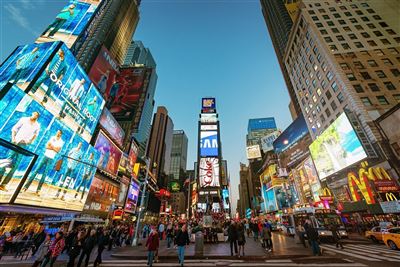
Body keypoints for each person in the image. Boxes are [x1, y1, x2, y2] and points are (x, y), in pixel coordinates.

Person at [0, 112, 41, 191]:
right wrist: (13, 139)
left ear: (37, 117)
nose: (35, 116)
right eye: (34, 114)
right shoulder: (24, 119)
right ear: (32, 114)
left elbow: (36, 135)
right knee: (7, 161)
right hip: (16, 143)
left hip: (23, 145)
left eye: (36, 115)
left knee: (15, 166)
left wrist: (30, 141)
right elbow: (14, 128)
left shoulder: (37, 125)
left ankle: (3, 184)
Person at [22, 130, 64, 195]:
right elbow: (47, 146)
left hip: (51, 158)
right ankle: (25, 187)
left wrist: (52, 146)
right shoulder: (52, 137)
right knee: (36, 171)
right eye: (57, 132)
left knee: (45, 174)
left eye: (59, 133)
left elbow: (58, 150)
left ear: (61, 134)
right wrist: (53, 148)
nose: (57, 133)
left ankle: (38, 190)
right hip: (45, 156)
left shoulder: (61, 142)